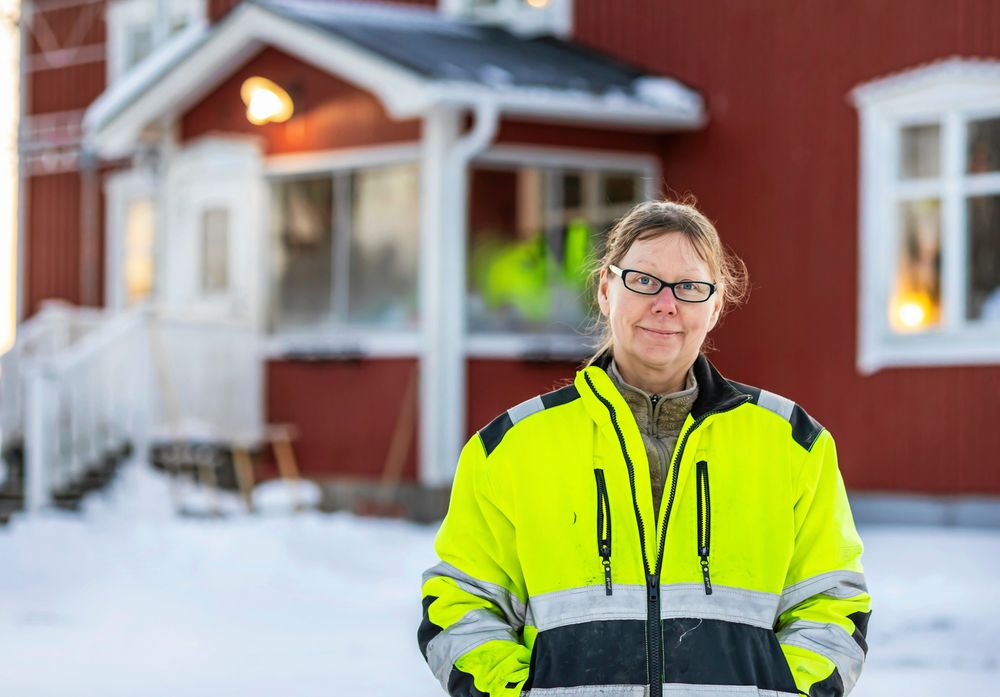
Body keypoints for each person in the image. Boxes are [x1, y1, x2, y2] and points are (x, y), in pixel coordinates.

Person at [418, 200, 871, 697]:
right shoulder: (511, 446)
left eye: (691, 287)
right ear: (606, 289)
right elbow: (460, 603)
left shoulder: (792, 444)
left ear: (716, 306)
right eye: (643, 280)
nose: (665, 303)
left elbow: (832, 604)